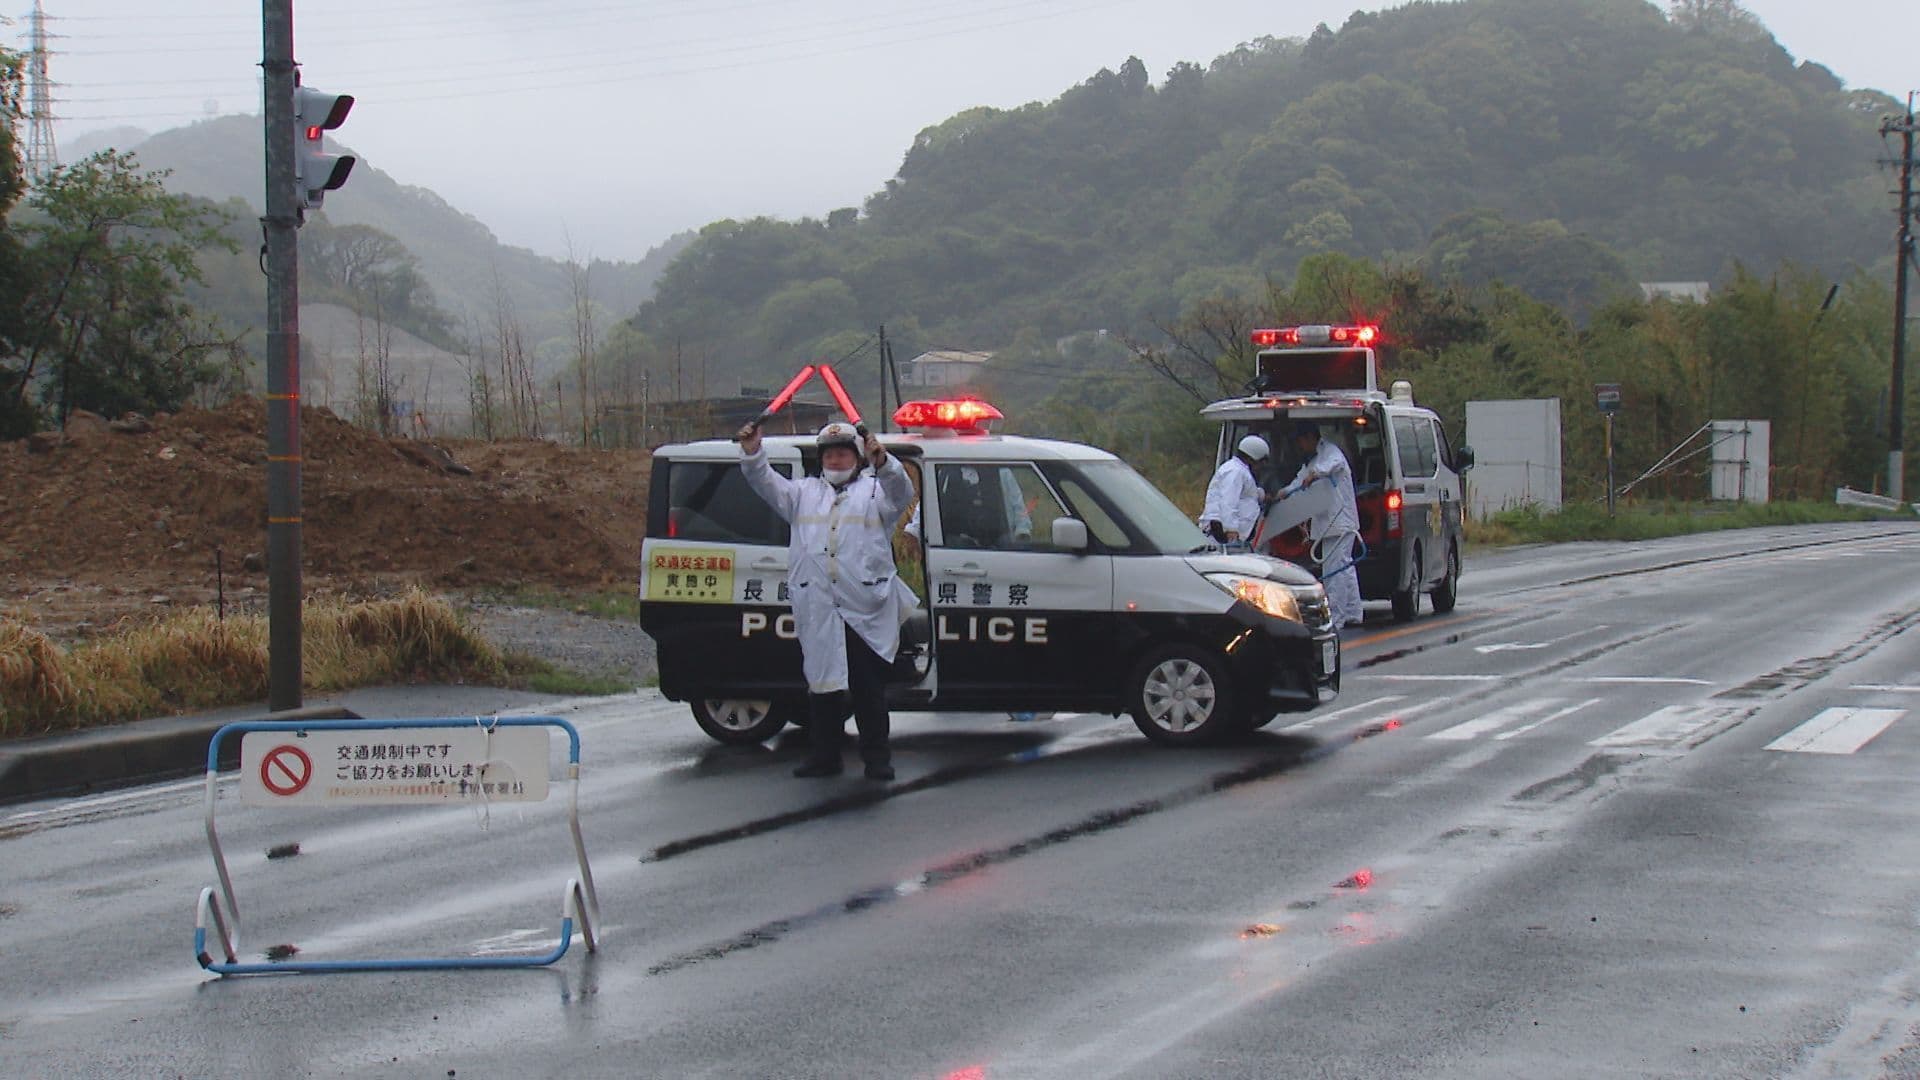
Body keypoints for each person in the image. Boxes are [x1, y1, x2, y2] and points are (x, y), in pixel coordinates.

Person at [738, 420, 917, 780]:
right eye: (830, 455)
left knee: (868, 688)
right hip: (819, 607)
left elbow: (902, 492)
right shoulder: (801, 493)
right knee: (822, 684)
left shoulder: (875, 492)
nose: (836, 460)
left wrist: (885, 463)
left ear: (857, 458)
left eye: (843, 454)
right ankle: (825, 757)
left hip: (864, 609)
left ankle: (877, 759)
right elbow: (764, 482)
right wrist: (753, 452)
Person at [1278, 419, 1363, 629]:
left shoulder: (1331, 452)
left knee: (1335, 570)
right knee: (1345, 568)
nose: (1300, 446)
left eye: (1301, 441)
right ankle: (1353, 612)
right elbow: (1300, 480)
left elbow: (1333, 465)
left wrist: (1315, 474)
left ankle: (1337, 618)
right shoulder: (1313, 460)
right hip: (1328, 524)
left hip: (1339, 522)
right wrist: (1284, 492)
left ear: (1309, 438)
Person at [1199, 435, 1269, 548]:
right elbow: (1228, 501)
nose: (1260, 466)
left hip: (1227, 532)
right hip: (1222, 533)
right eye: (1261, 461)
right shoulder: (1235, 471)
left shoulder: (1239, 470)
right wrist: (1230, 529)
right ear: (1253, 457)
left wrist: (1261, 495)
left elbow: (1246, 494)